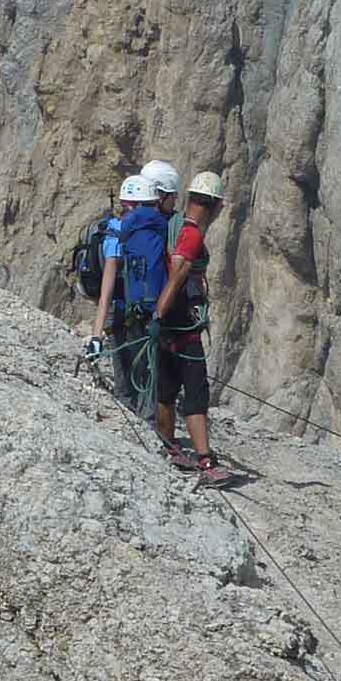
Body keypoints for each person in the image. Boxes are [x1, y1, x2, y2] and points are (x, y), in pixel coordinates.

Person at [150, 170, 228, 486]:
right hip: (183, 325)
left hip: (166, 325)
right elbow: (180, 272)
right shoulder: (192, 234)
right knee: (195, 392)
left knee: (167, 388)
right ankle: (205, 461)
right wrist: (160, 313)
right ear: (214, 205)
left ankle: (169, 447)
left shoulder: (173, 226)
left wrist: (157, 318)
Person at [94, 175, 160, 400]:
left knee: (131, 381)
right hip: (135, 313)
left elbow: (106, 295)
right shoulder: (123, 236)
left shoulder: (121, 234)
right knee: (138, 379)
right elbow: (107, 293)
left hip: (126, 313)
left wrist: (96, 337)